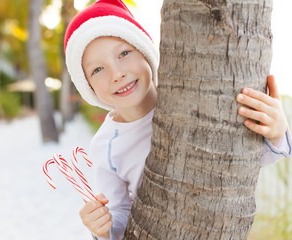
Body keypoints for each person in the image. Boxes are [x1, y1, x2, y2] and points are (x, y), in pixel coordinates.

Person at [63, 0, 292, 239]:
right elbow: (120, 212)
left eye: (124, 53)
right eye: (97, 70)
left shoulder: (190, 101)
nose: (117, 74)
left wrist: (277, 133)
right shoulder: (105, 146)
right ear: (88, 86)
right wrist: (102, 228)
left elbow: (237, 163)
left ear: (145, 51)